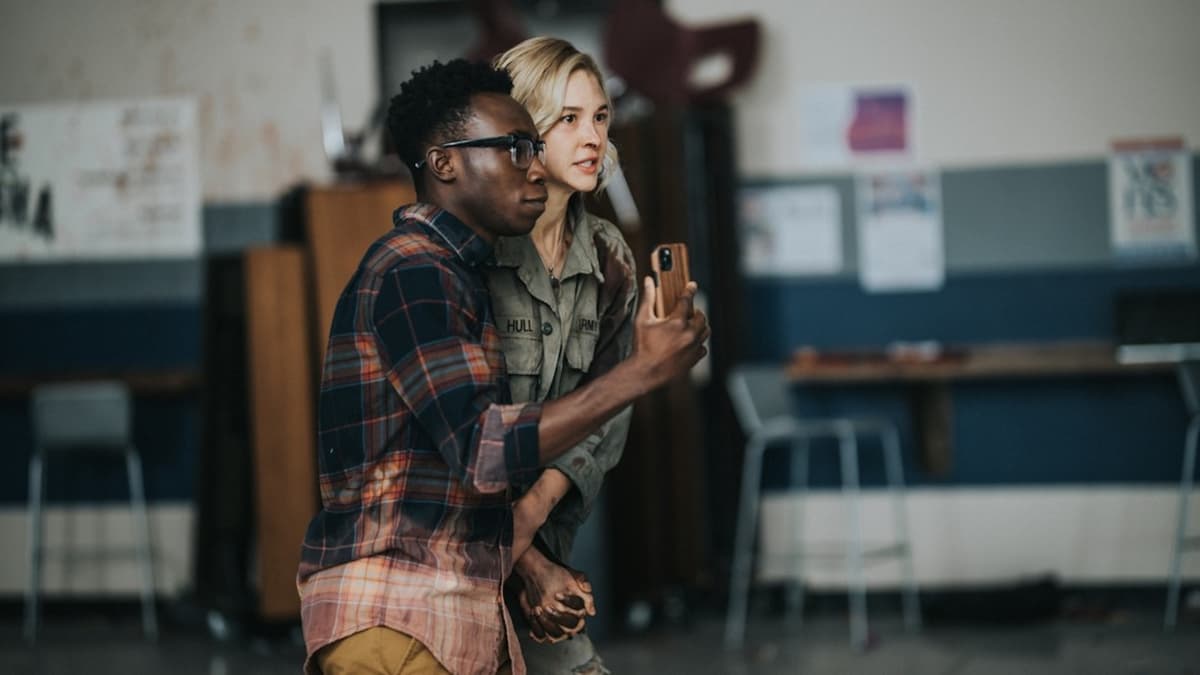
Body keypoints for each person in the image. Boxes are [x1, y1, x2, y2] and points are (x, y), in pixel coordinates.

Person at [297, 59, 709, 675]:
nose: (537, 164)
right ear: (444, 163)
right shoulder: (416, 271)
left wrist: (537, 561)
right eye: (518, 147)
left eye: (597, 119)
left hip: (454, 613)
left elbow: (471, 480)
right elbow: (485, 450)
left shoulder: (461, 270)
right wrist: (643, 372)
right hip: (398, 616)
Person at [484, 37, 634, 674]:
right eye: (567, 118)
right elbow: (451, 428)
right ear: (523, 130)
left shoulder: (608, 255)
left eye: (599, 116)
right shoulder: (476, 248)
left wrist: (533, 517)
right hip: (441, 559)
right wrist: (528, 564)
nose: (591, 136)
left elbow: (609, 406)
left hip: (541, 538)